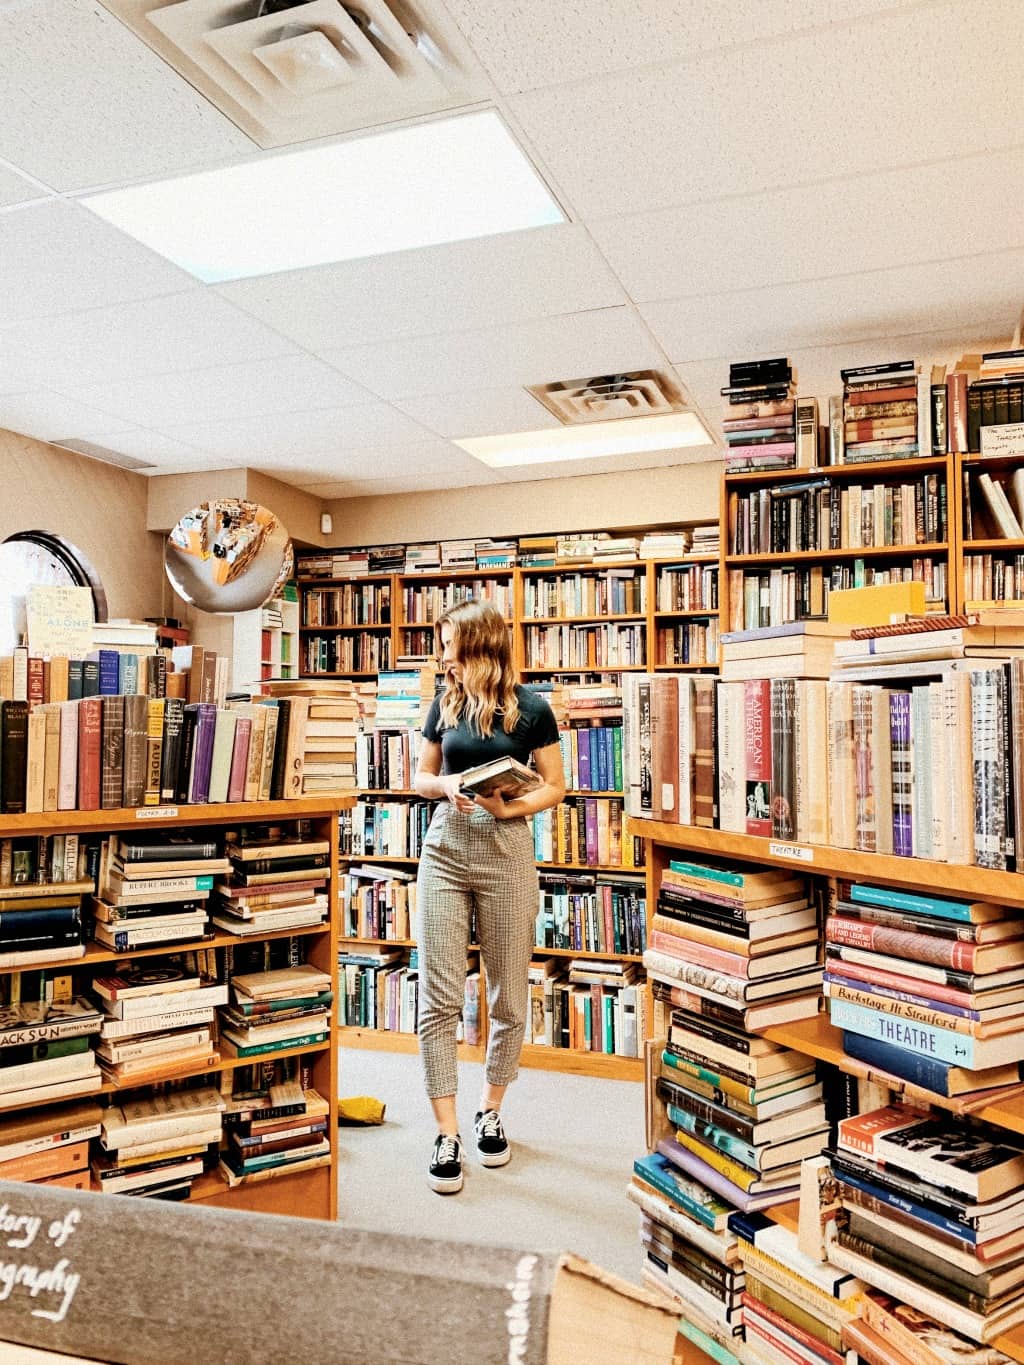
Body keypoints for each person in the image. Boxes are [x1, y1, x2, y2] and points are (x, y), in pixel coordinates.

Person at [412, 599, 566, 1194]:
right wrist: (445, 783)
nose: (442, 651)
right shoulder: (443, 702)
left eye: (448, 640)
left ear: (478, 644)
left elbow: (555, 786)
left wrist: (512, 805)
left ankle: (491, 1109)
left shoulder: (532, 709)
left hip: (505, 847)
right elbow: (419, 778)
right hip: (445, 849)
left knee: (508, 995)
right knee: (439, 995)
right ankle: (446, 1130)